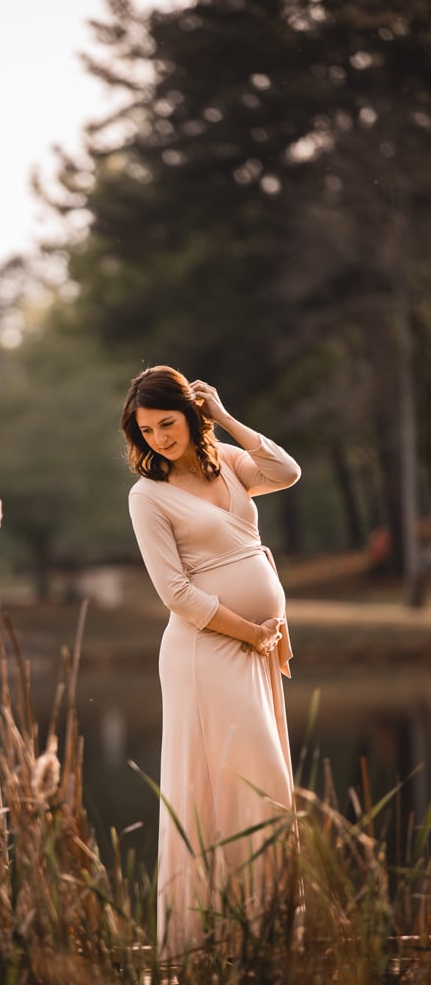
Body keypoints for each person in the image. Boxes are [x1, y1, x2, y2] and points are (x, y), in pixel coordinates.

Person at [121, 365, 301, 956]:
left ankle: (266, 933)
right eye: (147, 430)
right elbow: (176, 594)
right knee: (244, 782)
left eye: (167, 424)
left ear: (190, 414)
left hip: (254, 646)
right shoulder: (148, 496)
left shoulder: (226, 461)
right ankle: (210, 940)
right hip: (208, 651)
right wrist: (251, 631)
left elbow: (285, 471)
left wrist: (223, 416)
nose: (159, 439)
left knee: (265, 786)